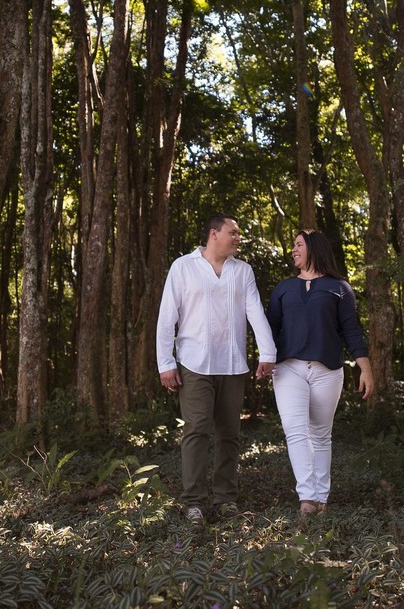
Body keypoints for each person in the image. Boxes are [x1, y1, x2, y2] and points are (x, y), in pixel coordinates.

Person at [157, 213, 277, 526]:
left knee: (229, 434)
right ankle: (194, 502)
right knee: (196, 429)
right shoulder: (183, 267)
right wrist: (165, 362)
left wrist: (268, 353)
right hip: (194, 364)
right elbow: (167, 317)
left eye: (238, 233)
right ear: (214, 234)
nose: (238, 238)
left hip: (233, 364)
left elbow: (255, 313)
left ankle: (225, 498)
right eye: (233, 232)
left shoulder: (243, 271)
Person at [266, 229, 373, 517]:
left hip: (328, 370)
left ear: (314, 248)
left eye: (298, 244)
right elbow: (270, 329)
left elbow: (351, 330)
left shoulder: (339, 287)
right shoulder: (283, 288)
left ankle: (322, 498)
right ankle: (307, 499)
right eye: (293, 245)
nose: (293, 249)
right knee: (295, 431)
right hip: (288, 368)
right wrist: (265, 360)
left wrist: (365, 368)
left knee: (321, 435)